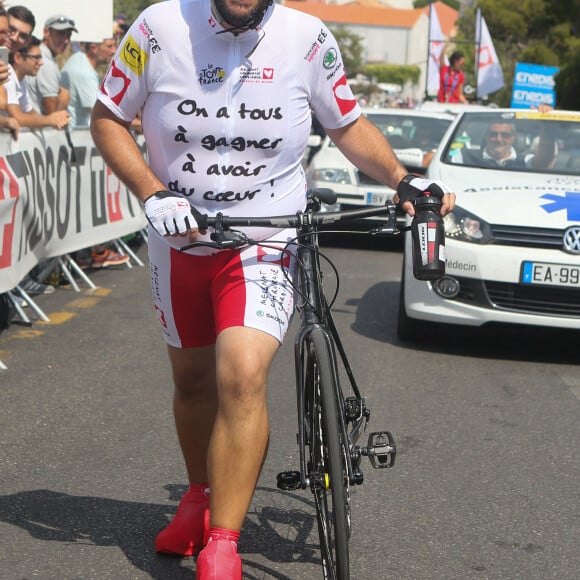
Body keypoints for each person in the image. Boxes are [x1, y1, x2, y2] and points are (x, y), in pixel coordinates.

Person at [90, 1, 456, 577]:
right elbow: (108, 117)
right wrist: (149, 189)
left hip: (264, 241)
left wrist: (402, 178)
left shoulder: (307, 39)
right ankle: (198, 496)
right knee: (191, 380)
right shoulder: (158, 28)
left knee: (240, 372)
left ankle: (223, 542)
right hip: (180, 237)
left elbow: (347, 124)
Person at [60, 37, 130, 269]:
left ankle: (91, 251)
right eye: (109, 46)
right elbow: (102, 114)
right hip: (75, 148)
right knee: (83, 198)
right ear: (93, 47)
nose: (113, 50)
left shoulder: (83, 64)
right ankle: (89, 253)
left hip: (79, 146)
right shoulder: (82, 69)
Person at [0, 35, 70, 130]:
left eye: (41, 57)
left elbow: (30, 114)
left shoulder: (21, 80)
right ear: (18, 57)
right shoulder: (8, 77)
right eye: (36, 57)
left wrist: (56, 119)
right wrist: (51, 120)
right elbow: (18, 118)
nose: (41, 62)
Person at [26, 14, 77, 114]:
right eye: (61, 34)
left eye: (69, 35)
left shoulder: (40, 57)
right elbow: (52, 117)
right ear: (46, 32)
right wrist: (63, 101)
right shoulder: (46, 64)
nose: (66, 40)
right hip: (36, 128)